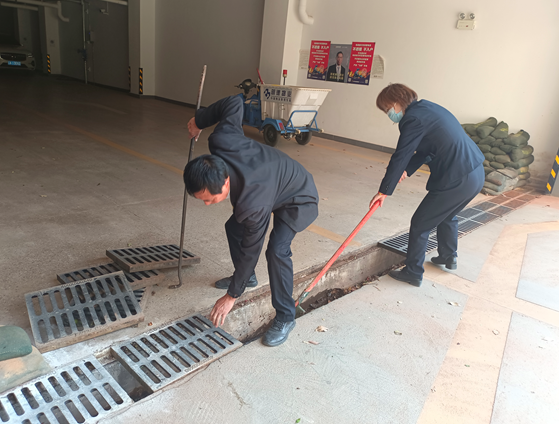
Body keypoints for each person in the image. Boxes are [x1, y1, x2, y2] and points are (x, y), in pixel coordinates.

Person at [183, 95, 319, 346]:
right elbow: (234, 102)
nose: (207, 204)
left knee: (277, 250)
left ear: (225, 182)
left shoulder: (252, 204)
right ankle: (248, 278)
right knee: (232, 227)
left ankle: (286, 316)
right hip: (272, 185)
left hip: (298, 196)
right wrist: (200, 120)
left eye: (210, 199)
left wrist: (232, 295)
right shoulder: (223, 140)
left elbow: (251, 249)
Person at [370, 83, 485, 286]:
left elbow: (401, 155)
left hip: (456, 179)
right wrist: (407, 170)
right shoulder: (428, 108)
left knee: (420, 224)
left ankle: (413, 272)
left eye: (387, 108)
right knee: (447, 215)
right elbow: (428, 150)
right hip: (475, 174)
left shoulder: (412, 119)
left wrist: (384, 190)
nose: (389, 113)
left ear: (396, 103)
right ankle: (448, 256)